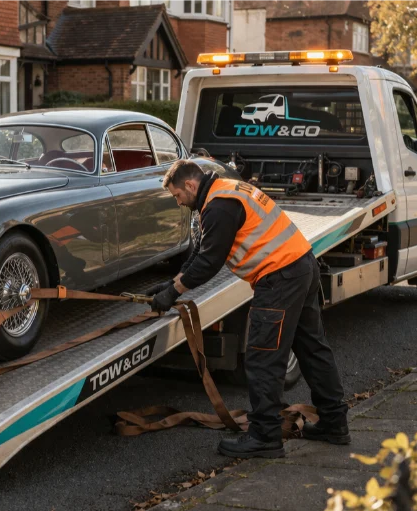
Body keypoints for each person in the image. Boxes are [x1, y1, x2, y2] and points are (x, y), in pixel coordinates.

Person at [147, 159, 350, 458]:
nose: (179, 202)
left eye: (178, 195)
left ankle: (265, 436)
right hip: (301, 266)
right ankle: (334, 423)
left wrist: (174, 292)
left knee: (262, 358)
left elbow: (208, 263)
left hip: (279, 278)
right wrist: (170, 285)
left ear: (190, 185)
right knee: (312, 349)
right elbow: (203, 252)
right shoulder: (226, 191)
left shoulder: (218, 205)